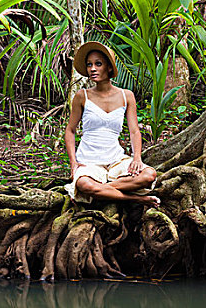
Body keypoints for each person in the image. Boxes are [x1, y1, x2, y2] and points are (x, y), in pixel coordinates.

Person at [64, 42, 160, 207]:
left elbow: (135, 131)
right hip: (89, 162)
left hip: (116, 160)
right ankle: (137, 199)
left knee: (149, 175)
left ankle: (101, 191)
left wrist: (136, 157)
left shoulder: (126, 96)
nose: (92, 69)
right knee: (84, 184)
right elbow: (70, 130)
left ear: (109, 67)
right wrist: (73, 163)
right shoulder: (82, 96)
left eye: (98, 64)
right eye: (89, 65)